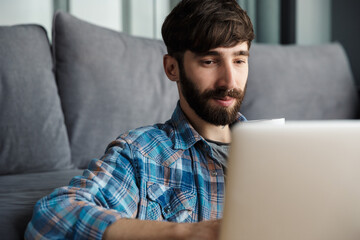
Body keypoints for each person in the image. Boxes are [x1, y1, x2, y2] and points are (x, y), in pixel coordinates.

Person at [25, 0, 254, 239]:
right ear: (172, 68)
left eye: (239, 60)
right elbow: (52, 217)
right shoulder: (140, 154)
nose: (229, 81)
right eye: (209, 61)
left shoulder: (278, 152)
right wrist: (186, 233)